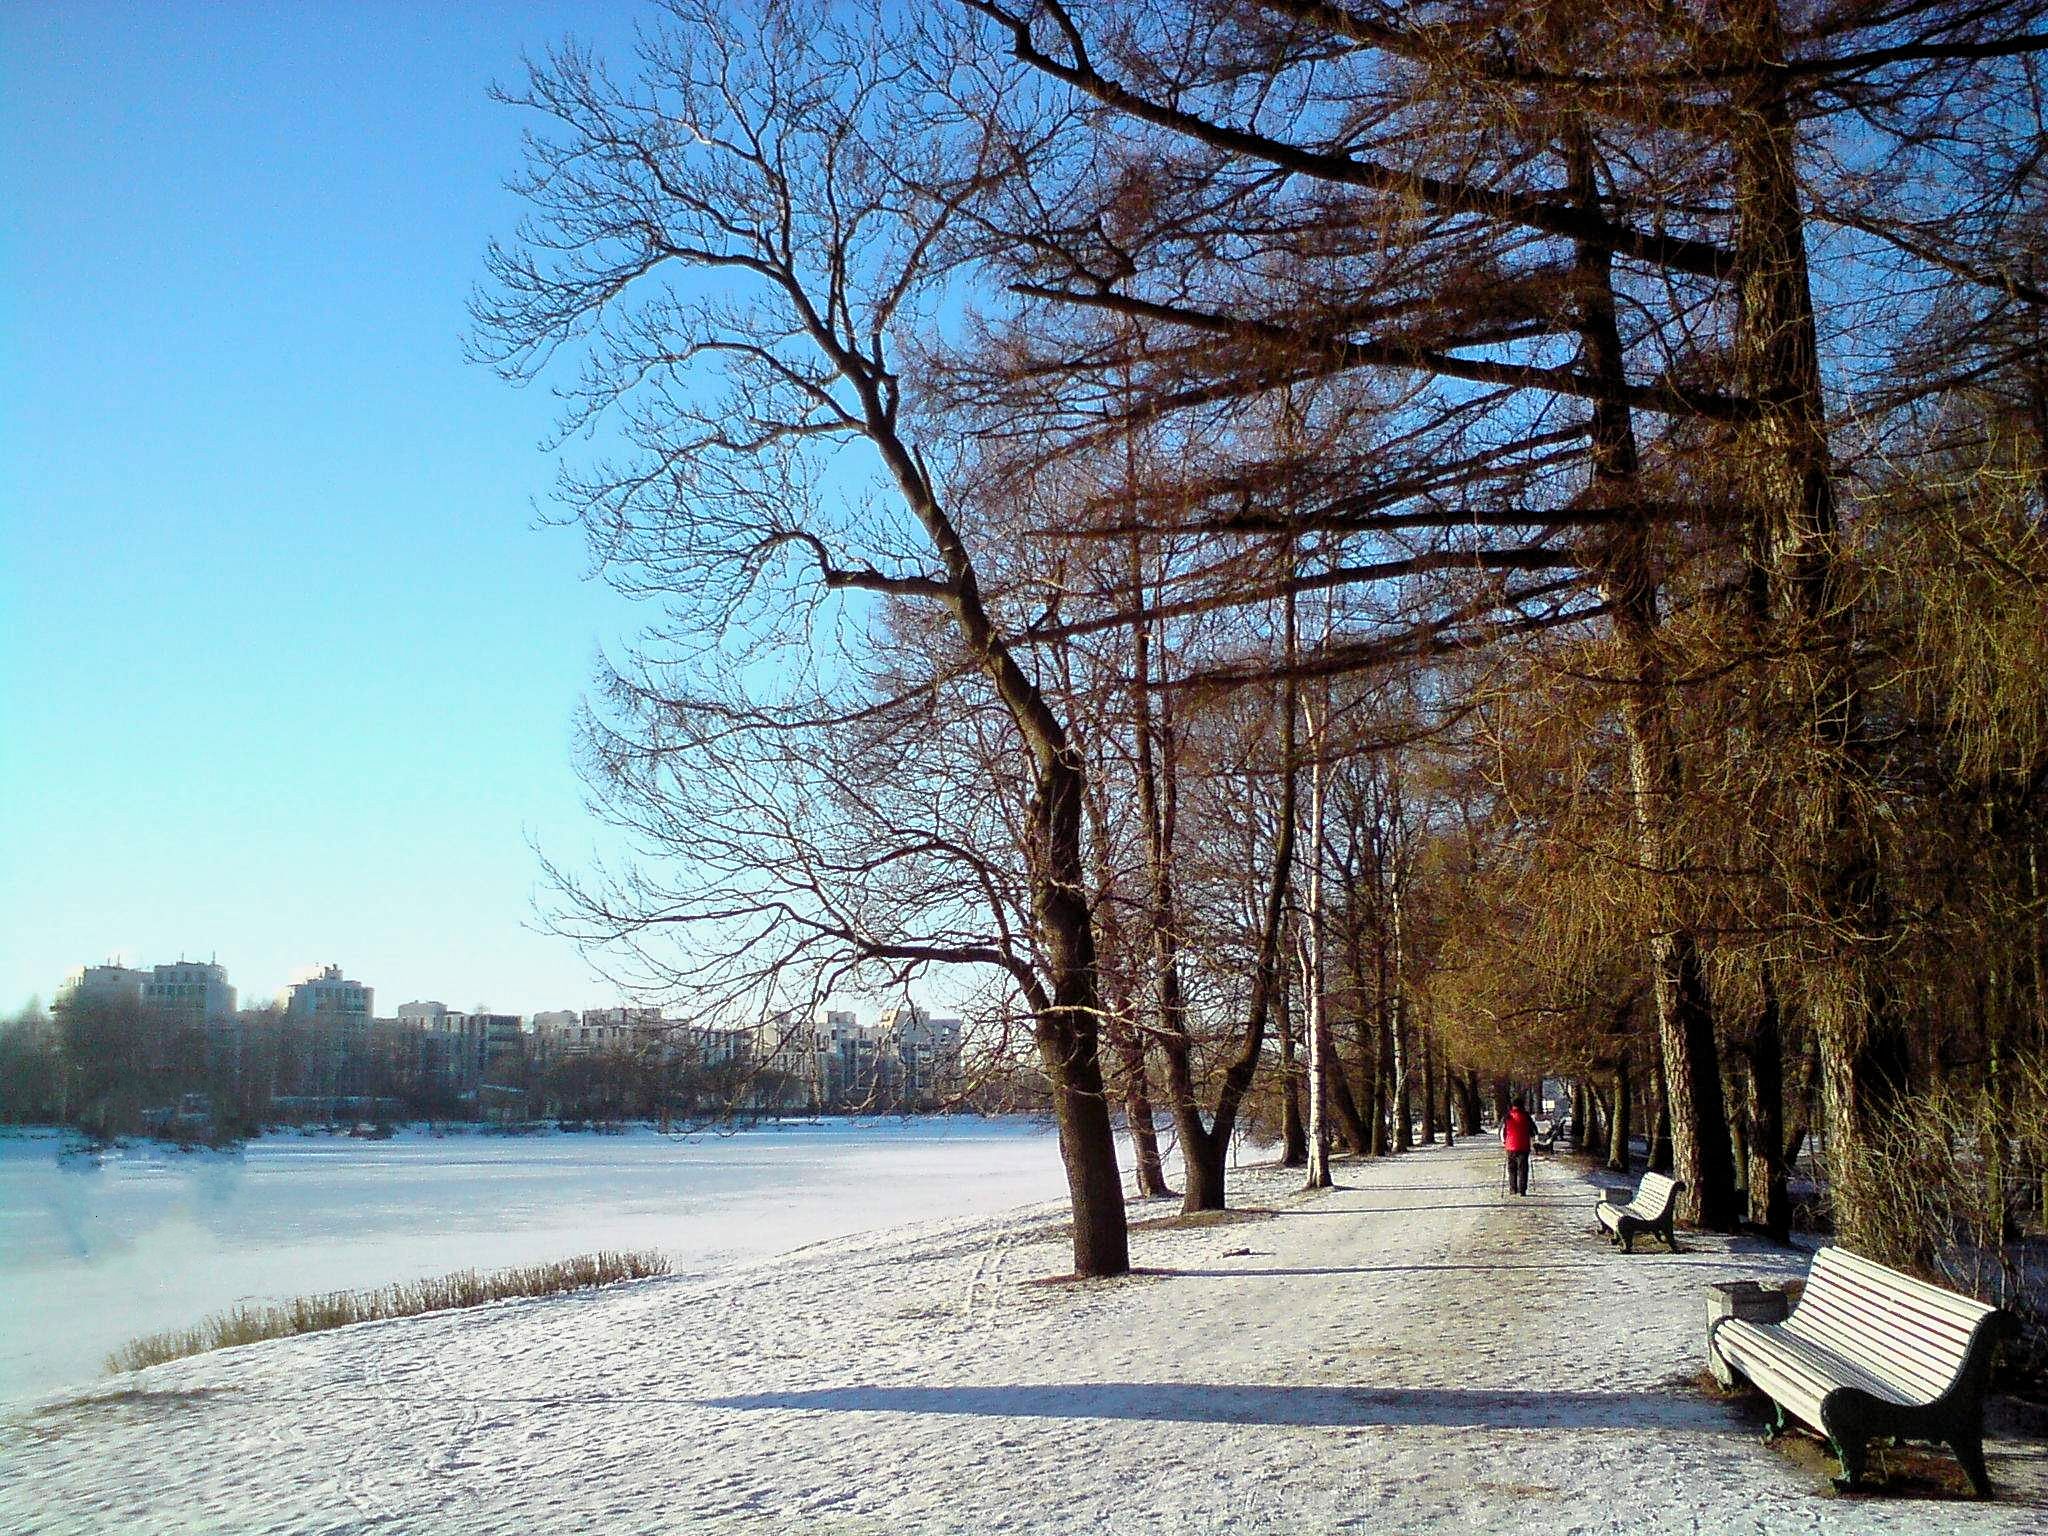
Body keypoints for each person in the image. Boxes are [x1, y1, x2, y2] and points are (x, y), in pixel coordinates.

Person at [1501, 1095, 1535, 1196]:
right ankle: (1522, 1190)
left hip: (1510, 1147)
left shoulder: (1507, 1116)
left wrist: (1504, 1142)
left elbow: (1502, 1131)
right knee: (1523, 1169)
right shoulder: (1526, 1116)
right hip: (1524, 1147)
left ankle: (1513, 1189)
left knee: (1512, 1168)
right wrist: (1532, 1137)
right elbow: (1533, 1130)